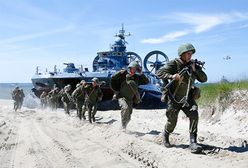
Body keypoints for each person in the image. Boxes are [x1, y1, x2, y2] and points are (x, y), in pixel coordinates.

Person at [155, 43, 207, 153]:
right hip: (174, 99)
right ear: (182, 54)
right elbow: (159, 72)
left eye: (191, 54)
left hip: (187, 98)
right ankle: (166, 134)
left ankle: (193, 142)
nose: (190, 56)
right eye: (188, 54)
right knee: (172, 122)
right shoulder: (174, 64)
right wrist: (171, 76)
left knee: (194, 114)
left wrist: (195, 70)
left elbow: (204, 79)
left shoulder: (193, 65)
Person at [111, 61, 149, 129]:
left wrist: (141, 74)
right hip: (122, 97)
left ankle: (124, 126)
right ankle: (123, 127)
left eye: (135, 69)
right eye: (132, 68)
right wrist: (119, 72)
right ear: (129, 68)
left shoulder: (137, 78)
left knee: (128, 116)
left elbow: (146, 82)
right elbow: (113, 78)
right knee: (125, 108)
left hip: (130, 99)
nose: (133, 70)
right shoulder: (122, 75)